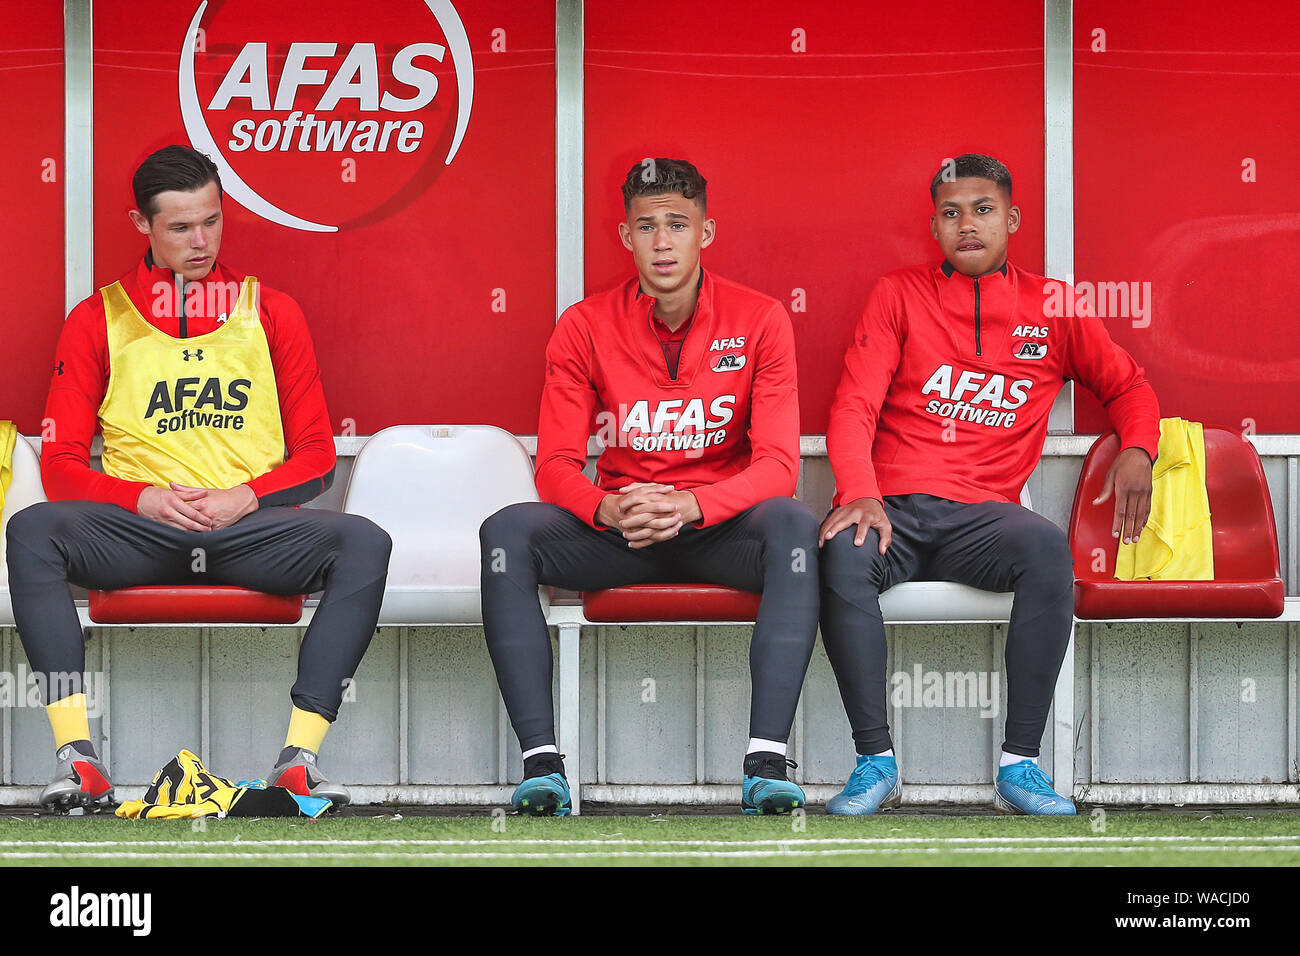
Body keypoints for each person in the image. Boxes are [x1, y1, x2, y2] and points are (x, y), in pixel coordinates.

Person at [6, 145, 391, 810]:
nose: (201, 241)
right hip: (140, 533)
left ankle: (298, 760)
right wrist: (143, 499)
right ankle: (79, 762)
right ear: (142, 225)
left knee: (364, 542)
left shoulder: (272, 312)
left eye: (211, 221)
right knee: (33, 529)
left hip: (247, 530)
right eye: (181, 227)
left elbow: (317, 456)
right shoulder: (98, 317)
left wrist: (244, 498)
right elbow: (63, 465)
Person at [819, 153, 1159, 815]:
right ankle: (875, 763)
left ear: (1012, 218)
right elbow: (853, 405)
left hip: (985, 519)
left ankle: (1019, 768)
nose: (966, 224)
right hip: (896, 509)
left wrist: (1139, 449)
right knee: (840, 550)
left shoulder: (1054, 304)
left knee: (1044, 552)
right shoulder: (899, 292)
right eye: (950, 213)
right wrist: (858, 490)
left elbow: (1129, 385)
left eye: (981, 210)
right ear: (935, 226)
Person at [480, 158, 819, 815]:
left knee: (796, 527)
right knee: (506, 534)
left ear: (706, 232)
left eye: (677, 225)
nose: (662, 242)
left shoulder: (762, 319)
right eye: (646, 226)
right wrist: (606, 507)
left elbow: (780, 465)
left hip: (716, 529)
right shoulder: (584, 324)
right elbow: (553, 464)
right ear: (624, 236)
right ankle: (543, 768)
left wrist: (693, 504)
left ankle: (766, 765)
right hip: (622, 531)